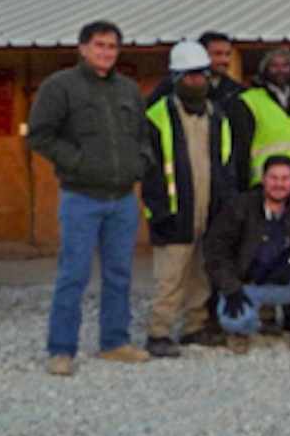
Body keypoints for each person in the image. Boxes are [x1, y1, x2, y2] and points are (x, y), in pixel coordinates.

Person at [26, 20, 152, 374]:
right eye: (99, 45)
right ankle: (61, 349)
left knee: (119, 274)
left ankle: (115, 342)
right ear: (82, 48)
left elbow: (143, 136)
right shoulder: (60, 87)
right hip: (82, 198)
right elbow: (40, 136)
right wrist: (79, 161)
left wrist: (140, 163)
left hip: (123, 199)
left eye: (112, 47)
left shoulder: (128, 90)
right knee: (73, 275)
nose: (106, 52)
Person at [141, 42, 237, 357]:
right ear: (176, 77)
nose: (196, 82)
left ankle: (194, 327)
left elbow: (225, 164)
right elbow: (151, 171)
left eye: (201, 76)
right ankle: (159, 332)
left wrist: (225, 206)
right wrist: (157, 211)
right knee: (170, 275)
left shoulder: (216, 115)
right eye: (189, 76)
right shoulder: (157, 116)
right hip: (174, 209)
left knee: (201, 273)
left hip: (208, 206)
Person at [203, 154, 290, 355]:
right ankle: (242, 332)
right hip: (246, 287)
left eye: (285, 179)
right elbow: (216, 249)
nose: (279, 184)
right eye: (274, 178)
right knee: (235, 320)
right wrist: (230, 288)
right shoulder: (240, 207)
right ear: (263, 179)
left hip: (284, 284)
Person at [230, 46, 290, 189]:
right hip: (261, 182)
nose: (280, 70)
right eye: (274, 65)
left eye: (285, 65)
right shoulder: (248, 100)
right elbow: (241, 148)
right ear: (264, 68)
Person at [145, 31, 243, 107]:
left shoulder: (236, 90)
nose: (224, 60)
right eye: (218, 54)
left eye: (227, 54)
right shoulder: (171, 87)